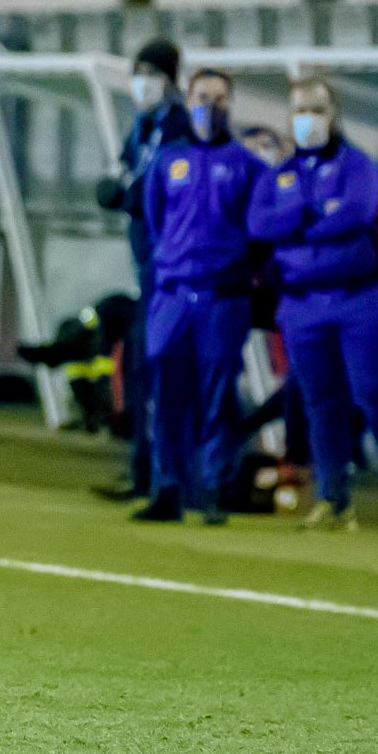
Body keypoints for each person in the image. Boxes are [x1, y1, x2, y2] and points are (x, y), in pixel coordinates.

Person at [246, 76, 378, 531]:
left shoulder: (357, 164)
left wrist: (297, 226)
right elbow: (259, 224)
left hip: (357, 297)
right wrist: (314, 215)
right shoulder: (279, 174)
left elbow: (357, 213)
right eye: (300, 110)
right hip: (301, 303)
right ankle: (333, 500)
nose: (308, 119)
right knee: (321, 403)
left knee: (372, 394)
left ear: (333, 115)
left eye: (316, 109)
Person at [136, 68, 260, 525]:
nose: (211, 105)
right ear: (188, 102)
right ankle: (167, 486)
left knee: (216, 394)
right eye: (203, 96)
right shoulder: (169, 162)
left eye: (220, 98)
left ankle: (211, 488)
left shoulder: (247, 165)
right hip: (172, 295)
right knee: (166, 394)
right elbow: (155, 221)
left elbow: (259, 231)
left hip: (221, 298)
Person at [92, 38, 191, 501]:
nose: (143, 83)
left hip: (171, 269)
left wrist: (129, 196)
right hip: (148, 265)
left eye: (152, 73)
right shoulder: (143, 126)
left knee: (160, 368)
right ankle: (145, 471)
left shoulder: (180, 128)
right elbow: (129, 177)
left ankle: (168, 475)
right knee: (142, 366)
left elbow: (164, 193)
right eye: (139, 73)